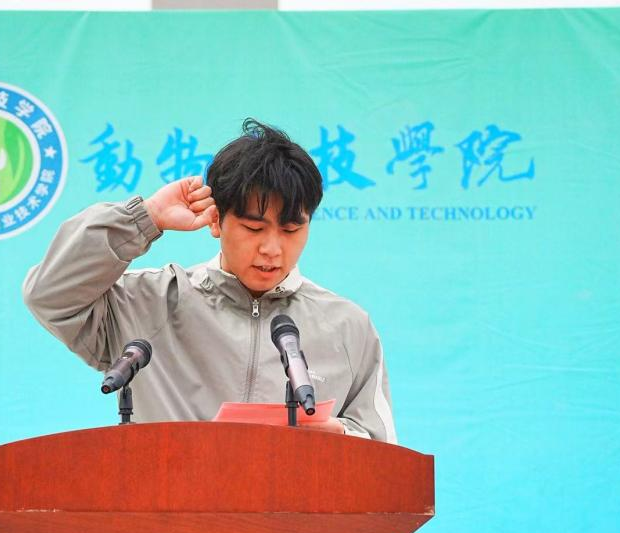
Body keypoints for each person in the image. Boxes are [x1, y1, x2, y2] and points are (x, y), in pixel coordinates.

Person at [23, 119, 396, 443]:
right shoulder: (149, 301)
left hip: (293, 506)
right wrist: (145, 217)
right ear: (216, 221)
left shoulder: (347, 326)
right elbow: (49, 294)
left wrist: (339, 438)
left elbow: (382, 449)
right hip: (170, 505)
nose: (272, 249)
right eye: (254, 228)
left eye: (291, 230)